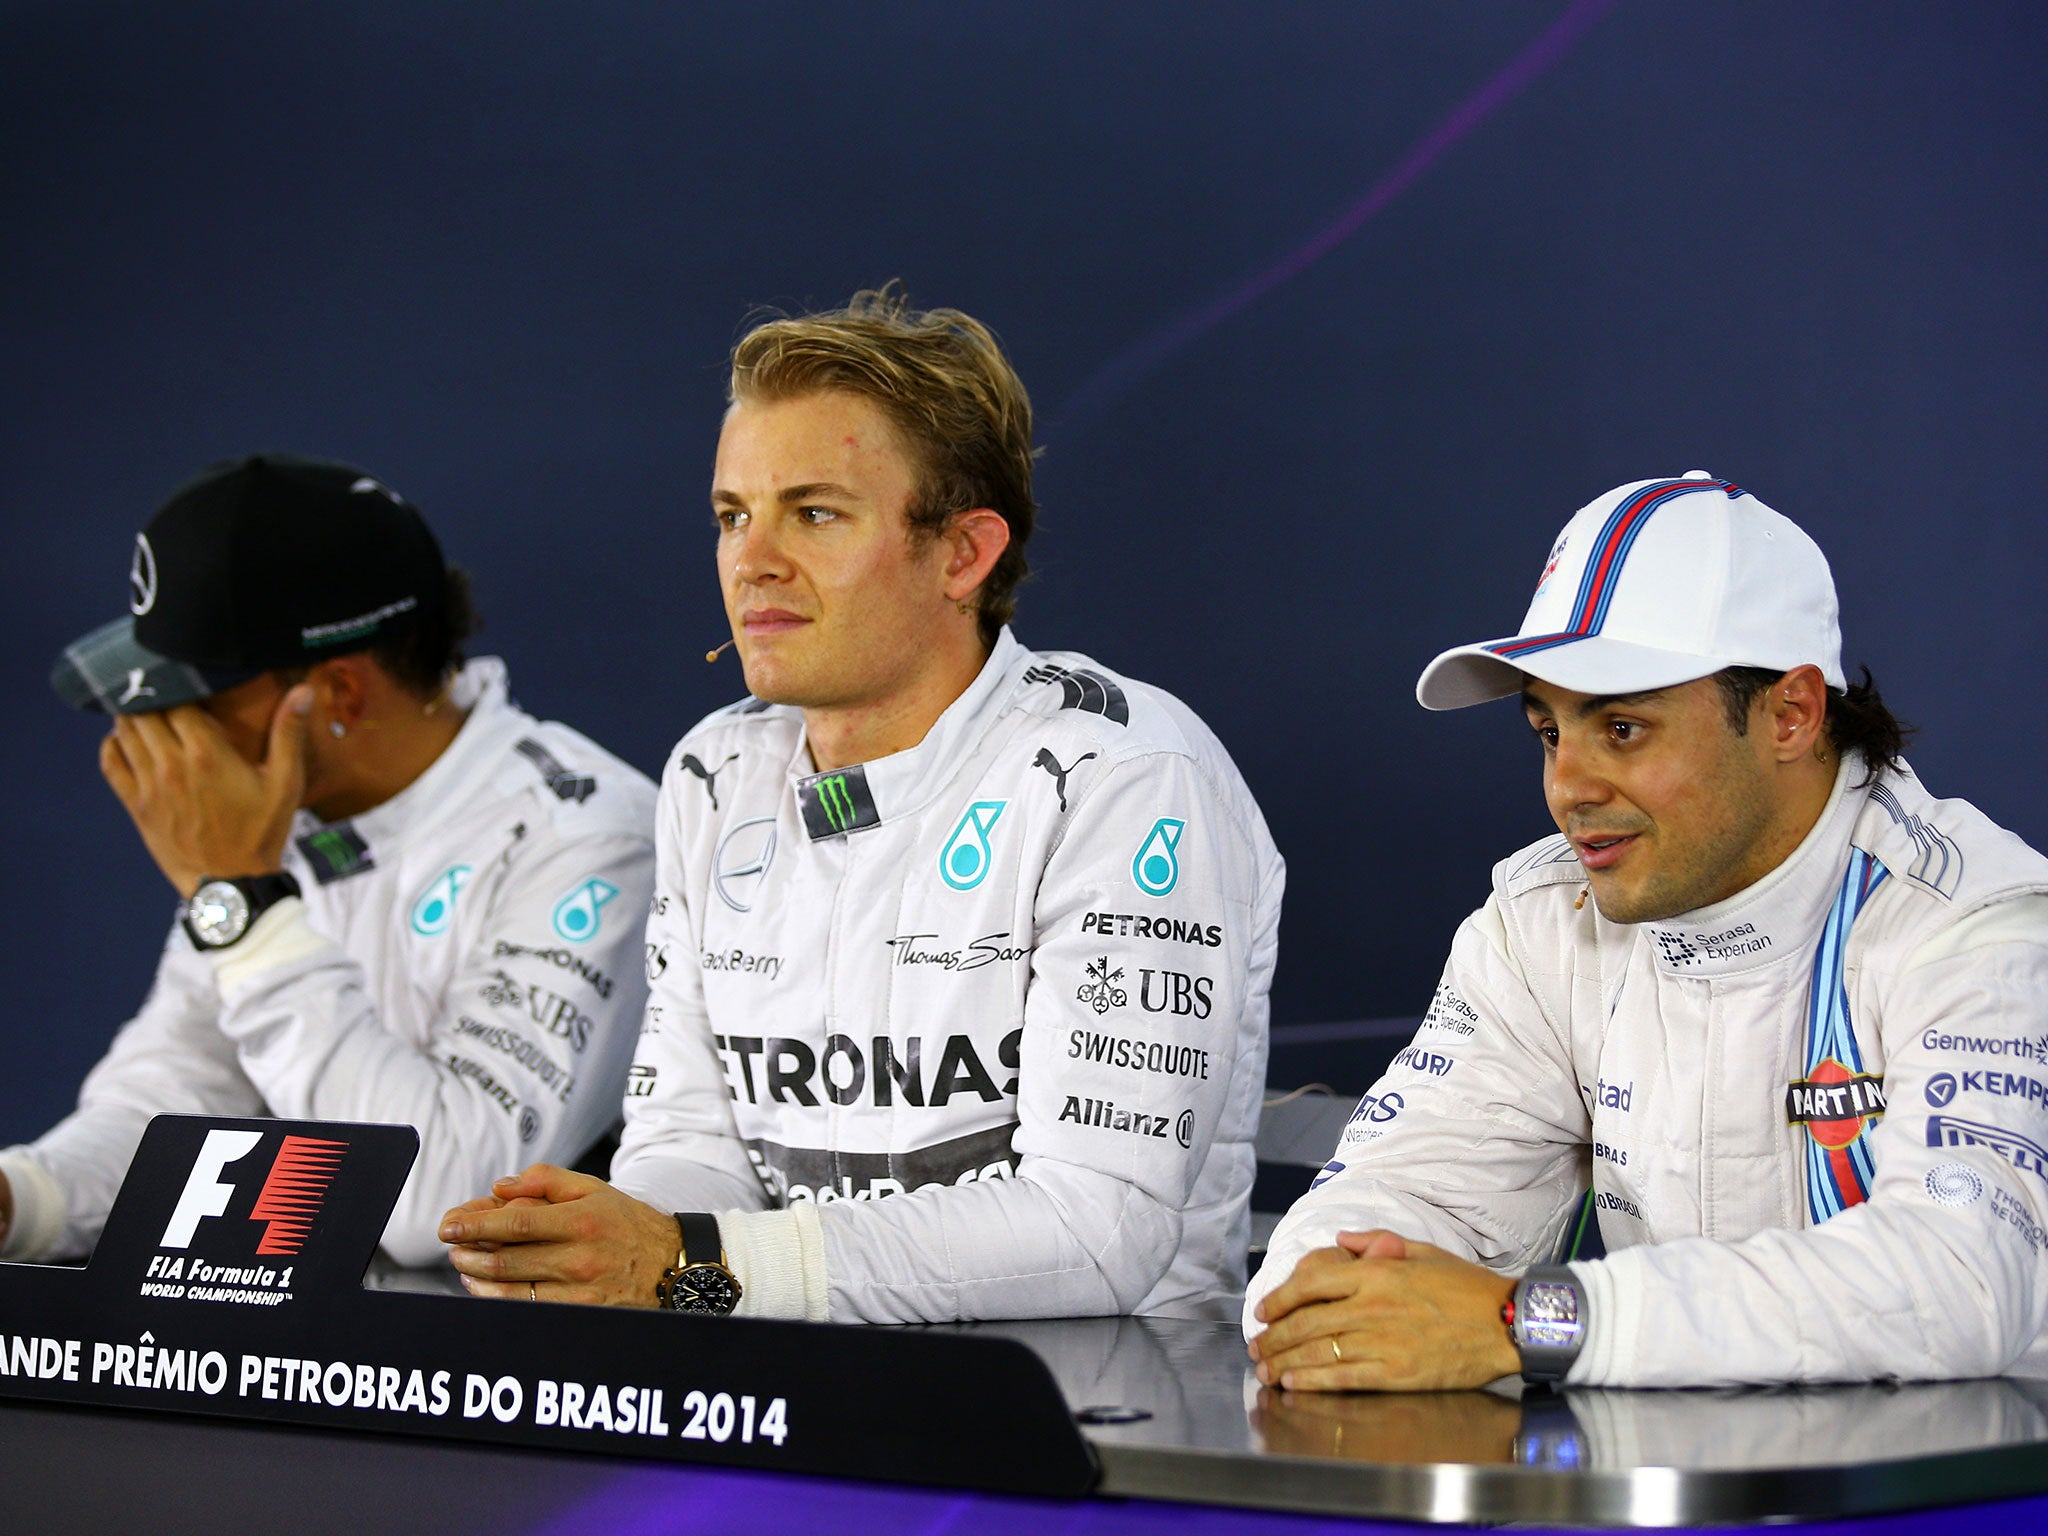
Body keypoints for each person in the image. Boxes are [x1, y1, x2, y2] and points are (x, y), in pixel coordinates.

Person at [439, 290, 1284, 1321]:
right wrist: (606, 1248)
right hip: (785, 1388)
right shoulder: (716, 774)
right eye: (731, 516)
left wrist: (682, 1260)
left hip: (1077, 1424)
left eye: (816, 512)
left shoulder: (1126, 774)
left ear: (962, 554)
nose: (752, 560)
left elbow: (1094, 1229)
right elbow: (689, 1148)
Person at [1247, 472, 2048, 1390]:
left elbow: (1959, 1282)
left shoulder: (1977, 920)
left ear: (1791, 713)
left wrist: (1530, 1324)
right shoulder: (1540, 921)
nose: (1566, 790)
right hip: (1667, 1497)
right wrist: (1329, 1302)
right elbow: (1398, 1194)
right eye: (1549, 731)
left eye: (1621, 727)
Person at [0, 454, 655, 1267]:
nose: (162, 738)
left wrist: (246, 908)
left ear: (340, 694)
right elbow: (172, 1099)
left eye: (194, 700)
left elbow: (446, 1203)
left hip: (535, 1373)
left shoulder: (589, 839)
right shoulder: (276, 827)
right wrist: (22, 1198)